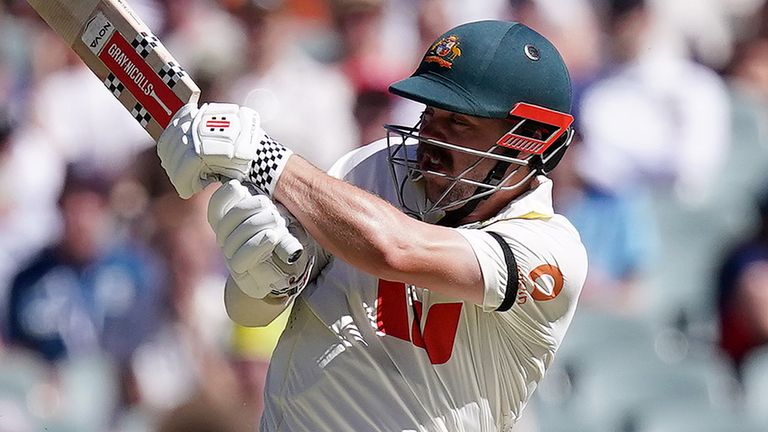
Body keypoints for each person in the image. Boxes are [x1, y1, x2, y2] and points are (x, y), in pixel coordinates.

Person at [157, 20, 588, 431]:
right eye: (429, 113)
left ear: (531, 140)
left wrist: (263, 157)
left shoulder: (549, 251)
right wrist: (265, 279)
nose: (429, 139)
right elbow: (248, 313)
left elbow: (396, 250)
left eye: (458, 122)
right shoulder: (371, 170)